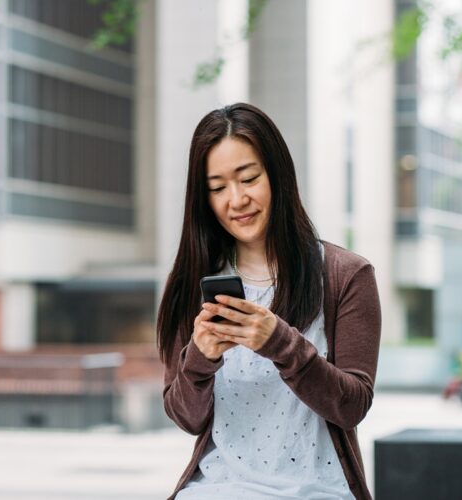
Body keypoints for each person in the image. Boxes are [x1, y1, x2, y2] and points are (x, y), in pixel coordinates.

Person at [158, 103, 381, 499]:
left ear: (277, 175)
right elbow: (186, 418)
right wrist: (199, 359)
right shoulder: (191, 283)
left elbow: (352, 406)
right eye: (218, 187)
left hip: (316, 490)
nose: (237, 199)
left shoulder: (346, 275)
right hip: (216, 489)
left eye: (249, 178)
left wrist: (280, 343)